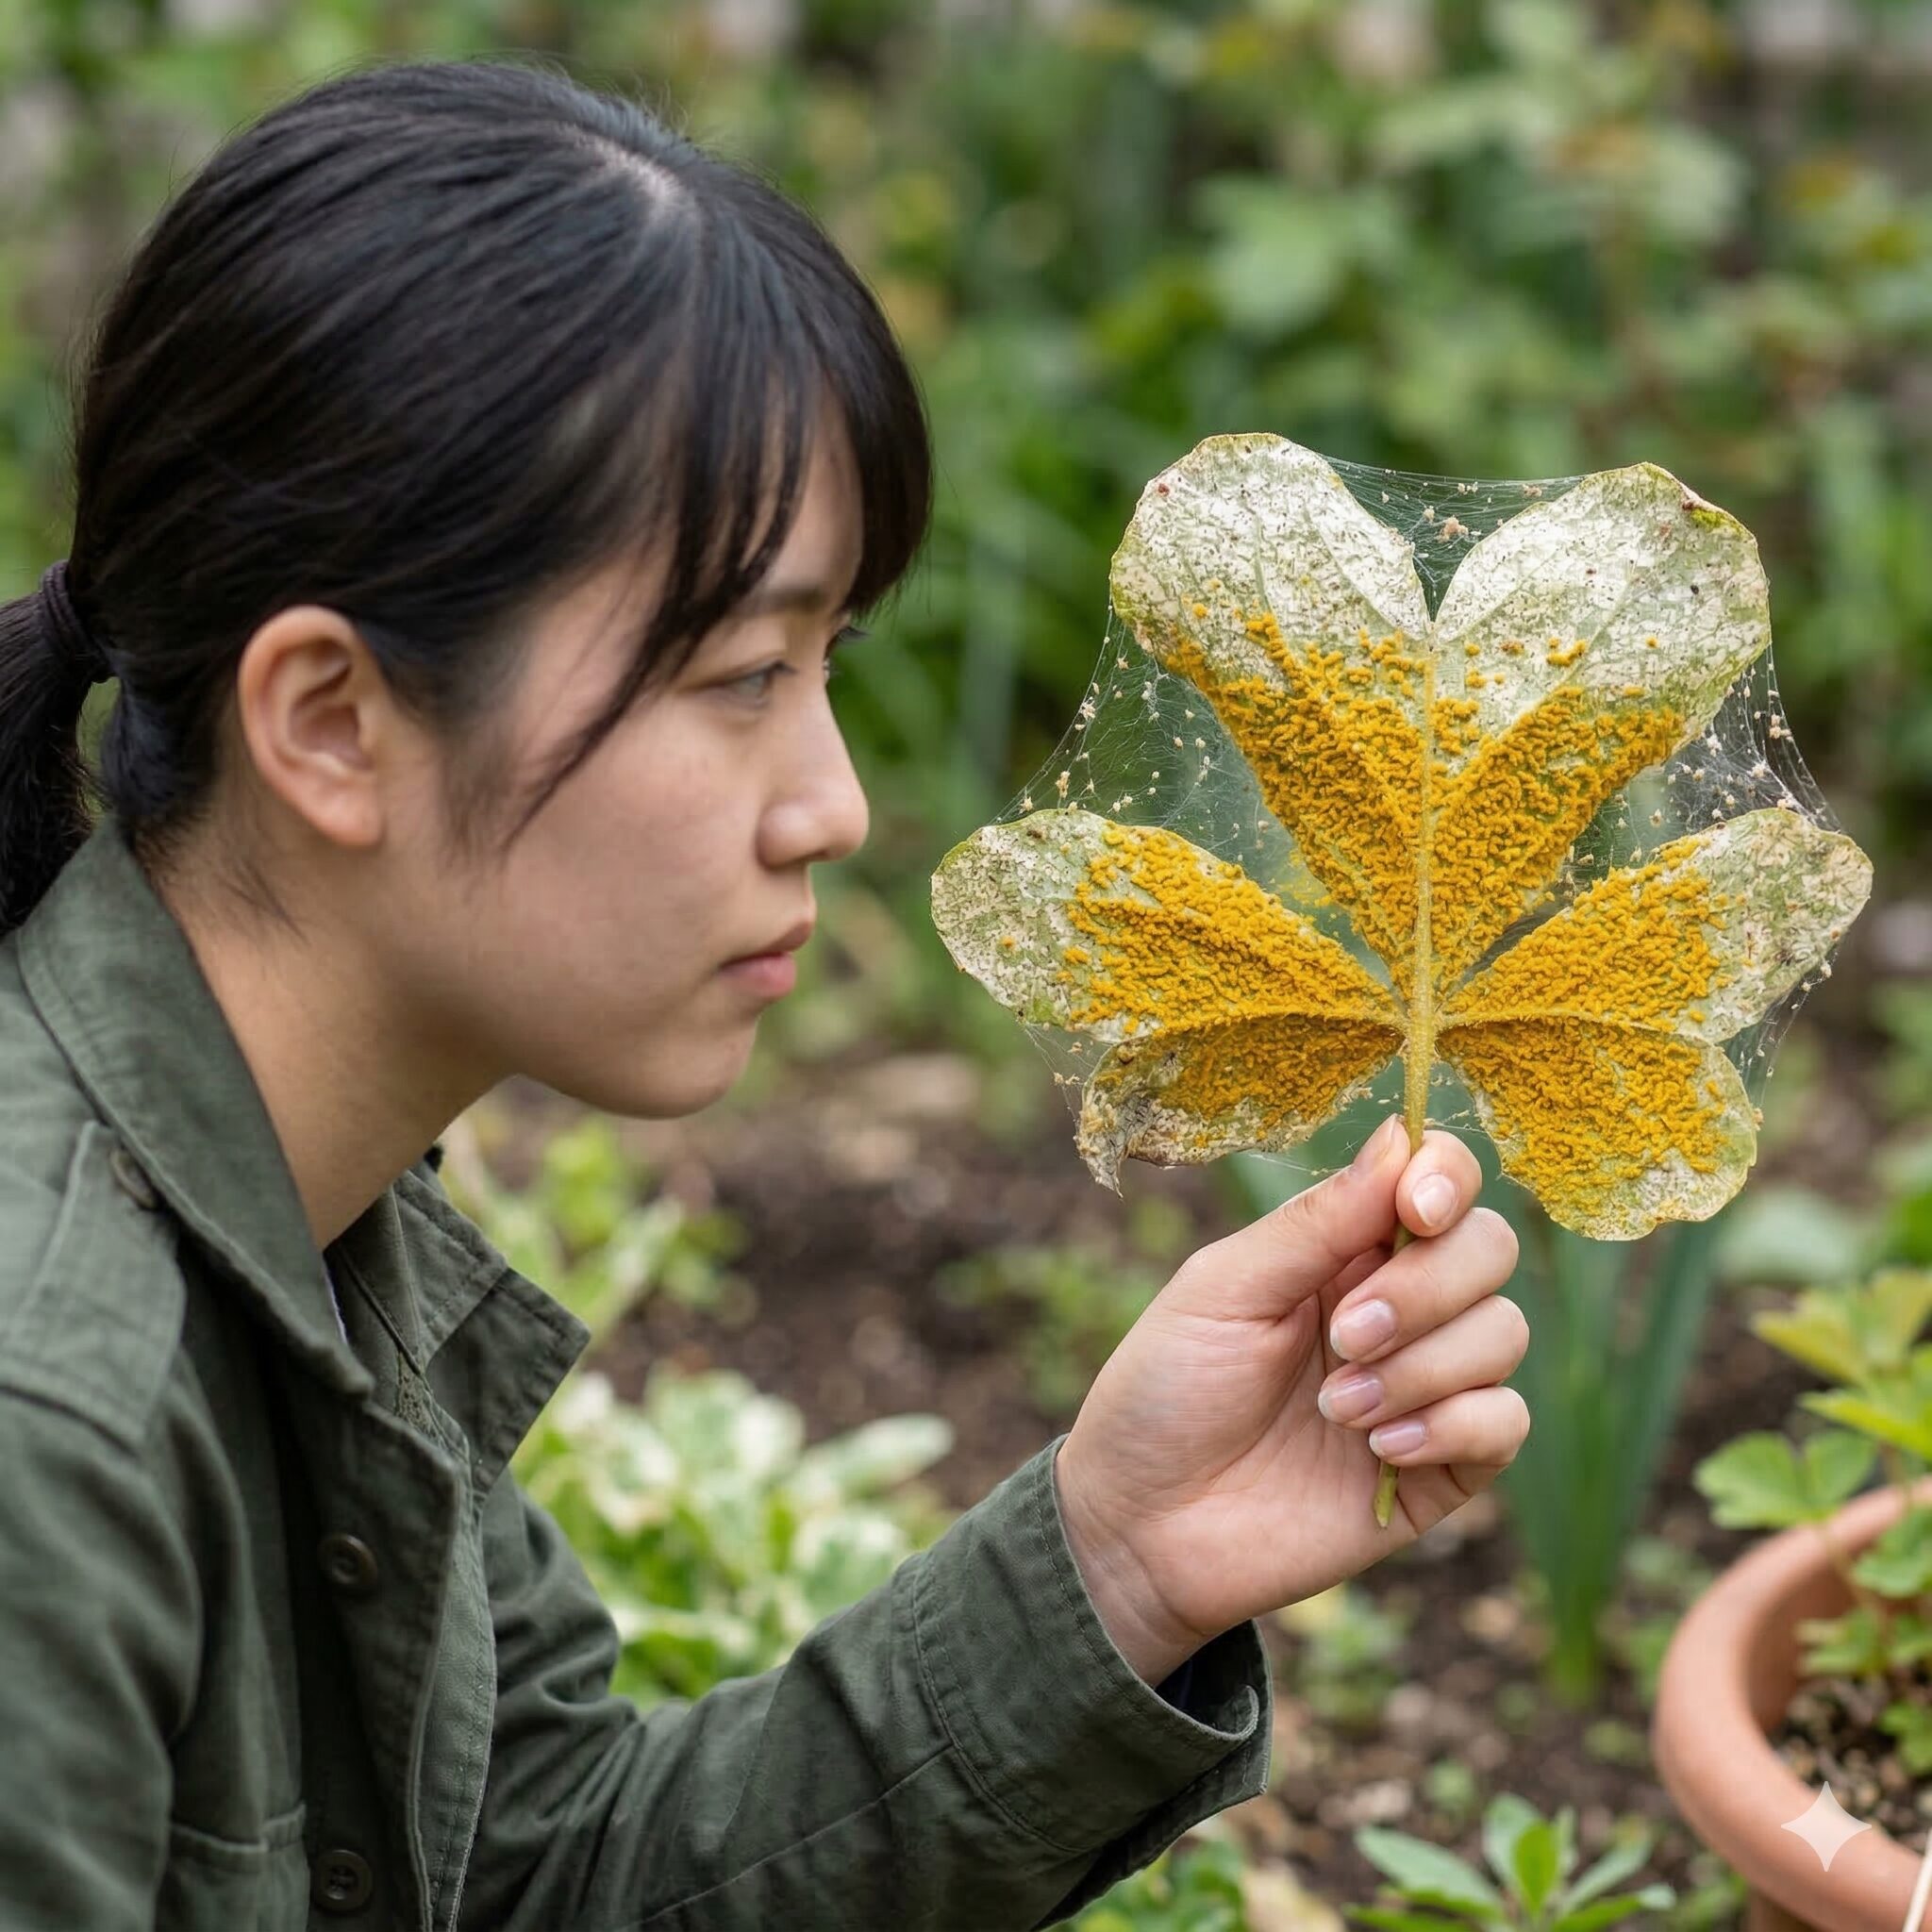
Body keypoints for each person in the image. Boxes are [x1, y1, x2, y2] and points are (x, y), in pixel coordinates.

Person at [0, 55, 1531, 1932]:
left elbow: (536, 1873)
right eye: (735, 676)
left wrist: (1120, 1567)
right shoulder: (43, 1413)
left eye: (829, 666)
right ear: (330, 721)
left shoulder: (304, 1199)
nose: (835, 804)